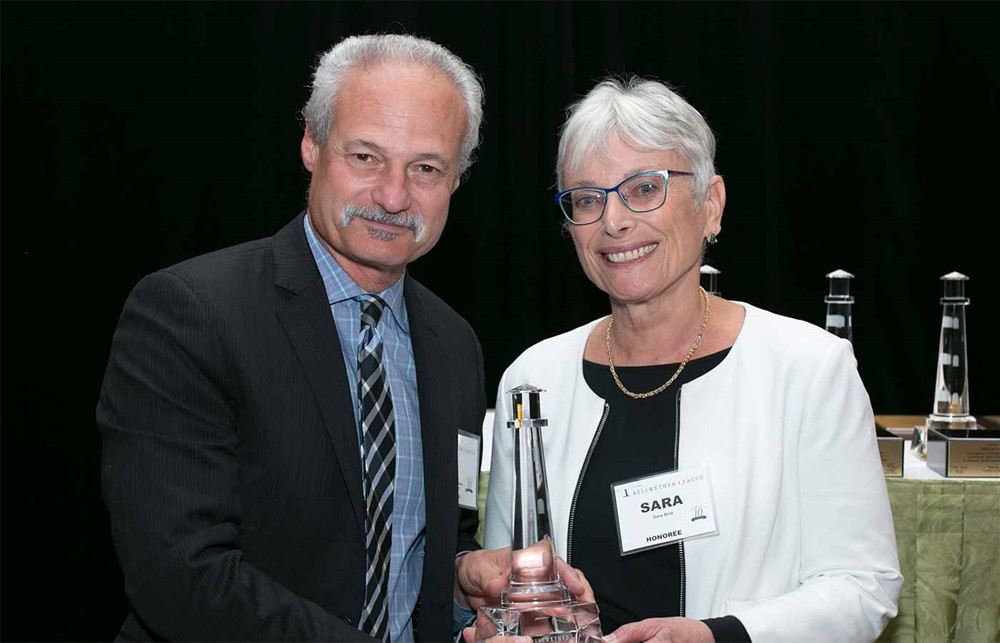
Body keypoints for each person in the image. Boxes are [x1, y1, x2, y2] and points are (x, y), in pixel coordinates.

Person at [98, 33, 514, 642]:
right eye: (366, 157)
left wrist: (459, 579)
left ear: (457, 179)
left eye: (425, 168)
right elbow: (179, 576)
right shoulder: (188, 314)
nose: (394, 197)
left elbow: (433, 536)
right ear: (312, 145)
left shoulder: (455, 344)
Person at [483, 76, 902, 642]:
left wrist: (716, 637)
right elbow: (511, 585)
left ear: (712, 205)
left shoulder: (807, 369)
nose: (614, 221)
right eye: (587, 198)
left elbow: (862, 586)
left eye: (644, 188)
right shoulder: (534, 379)